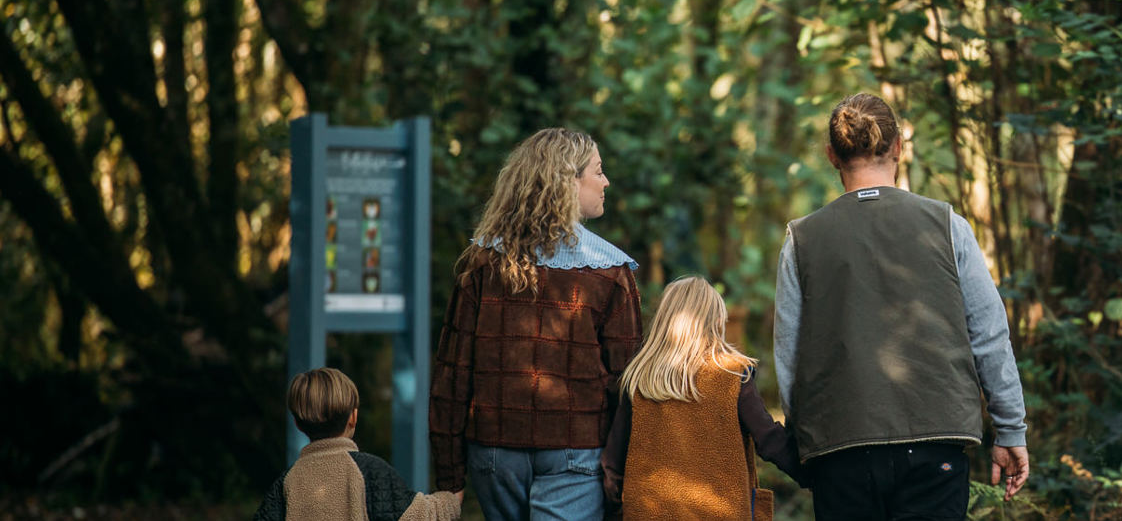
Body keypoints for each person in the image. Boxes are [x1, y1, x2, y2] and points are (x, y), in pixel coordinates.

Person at [774, 93, 1030, 520]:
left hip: (841, 447)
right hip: (937, 442)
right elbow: (989, 335)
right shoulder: (948, 226)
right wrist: (1009, 429)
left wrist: (805, 441)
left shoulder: (801, 240)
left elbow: (789, 355)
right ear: (898, 148)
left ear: (832, 156)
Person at [428, 128, 643, 520]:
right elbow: (626, 383)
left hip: (493, 450)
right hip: (576, 451)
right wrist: (623, 470)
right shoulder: (609, 271)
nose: (606, 181)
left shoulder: (484, 262)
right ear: (569, 181)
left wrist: (449, 475)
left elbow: (453, 375)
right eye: (598, 170)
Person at [602, 276, 805, 519]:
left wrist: (616, 508)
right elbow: (769, 440)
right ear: (715, 321)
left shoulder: (639, 378)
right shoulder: (731, 374)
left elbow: (612, 465)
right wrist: (812, 476)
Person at [255, 368, 461, 521]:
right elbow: (422, 515)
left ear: (297, 424)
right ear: (353, 417)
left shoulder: (286, 483)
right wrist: (453, 495)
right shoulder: (370, 471)